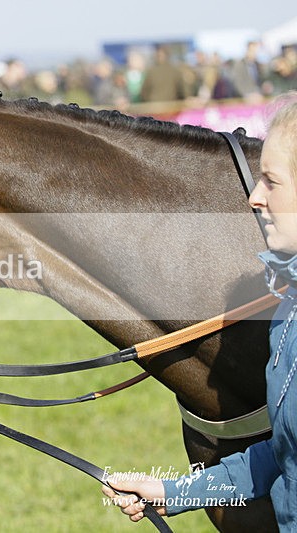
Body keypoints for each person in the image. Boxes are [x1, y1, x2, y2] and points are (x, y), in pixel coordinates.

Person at [102, 93, 297, 530]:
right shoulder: (288, 309)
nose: (254, 197)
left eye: (271, 180)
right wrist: (173, 493)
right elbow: (284, 454)